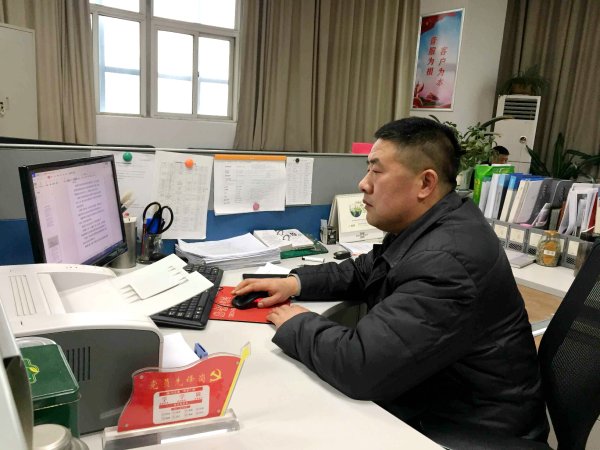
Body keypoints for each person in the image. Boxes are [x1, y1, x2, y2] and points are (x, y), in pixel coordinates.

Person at [232, 117, 548, 443]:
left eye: (376, 171)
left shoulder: (448, 261)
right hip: (433, 400)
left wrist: (297, 323)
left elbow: (360, 366)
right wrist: (294, 283)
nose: (363, 184)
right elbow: (366, 269)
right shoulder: (433, 224)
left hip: (471, 432)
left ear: (425, 183)